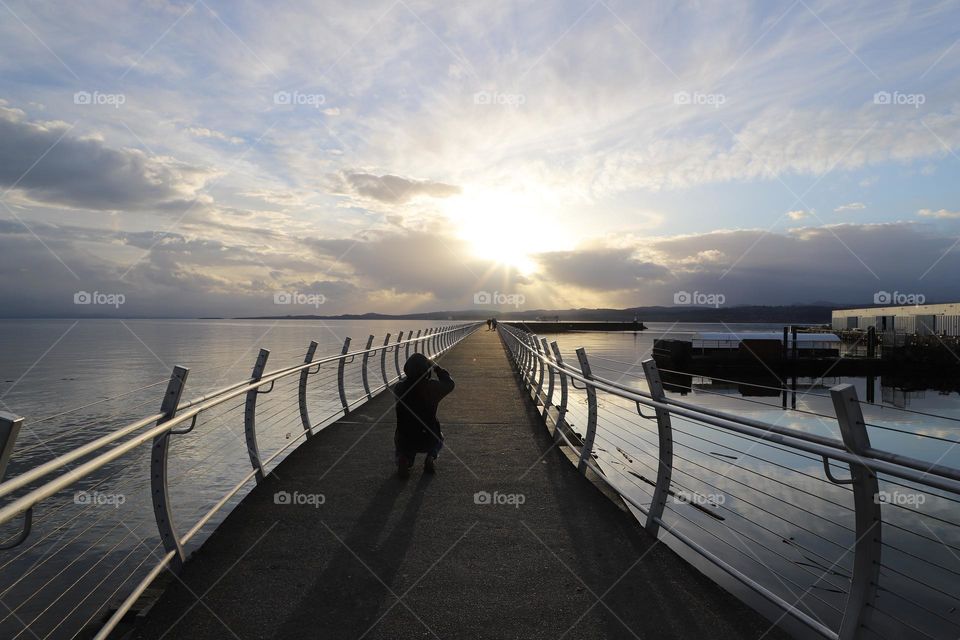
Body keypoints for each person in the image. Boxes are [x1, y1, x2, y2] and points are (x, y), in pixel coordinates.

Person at [392, 352, 455, 478]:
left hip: (406, 440)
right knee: (440, 437)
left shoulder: (399, 388)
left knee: (401, 435)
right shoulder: (433, 387)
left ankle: (404, 459)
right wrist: (436, 368)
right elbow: (450, 384)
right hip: (429, 438)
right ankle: (431, 457)